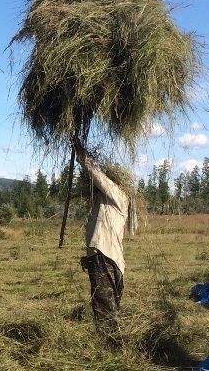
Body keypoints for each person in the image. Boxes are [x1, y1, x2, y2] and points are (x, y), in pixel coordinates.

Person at [72, 138, 130, 337]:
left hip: (106, 259)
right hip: (105, 258)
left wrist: (81, 154)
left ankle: (110, 342)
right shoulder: (104, 202)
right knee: (108, 304)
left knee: (104, 306)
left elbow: (96, 175)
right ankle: (113, 340)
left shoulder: (118, 195)